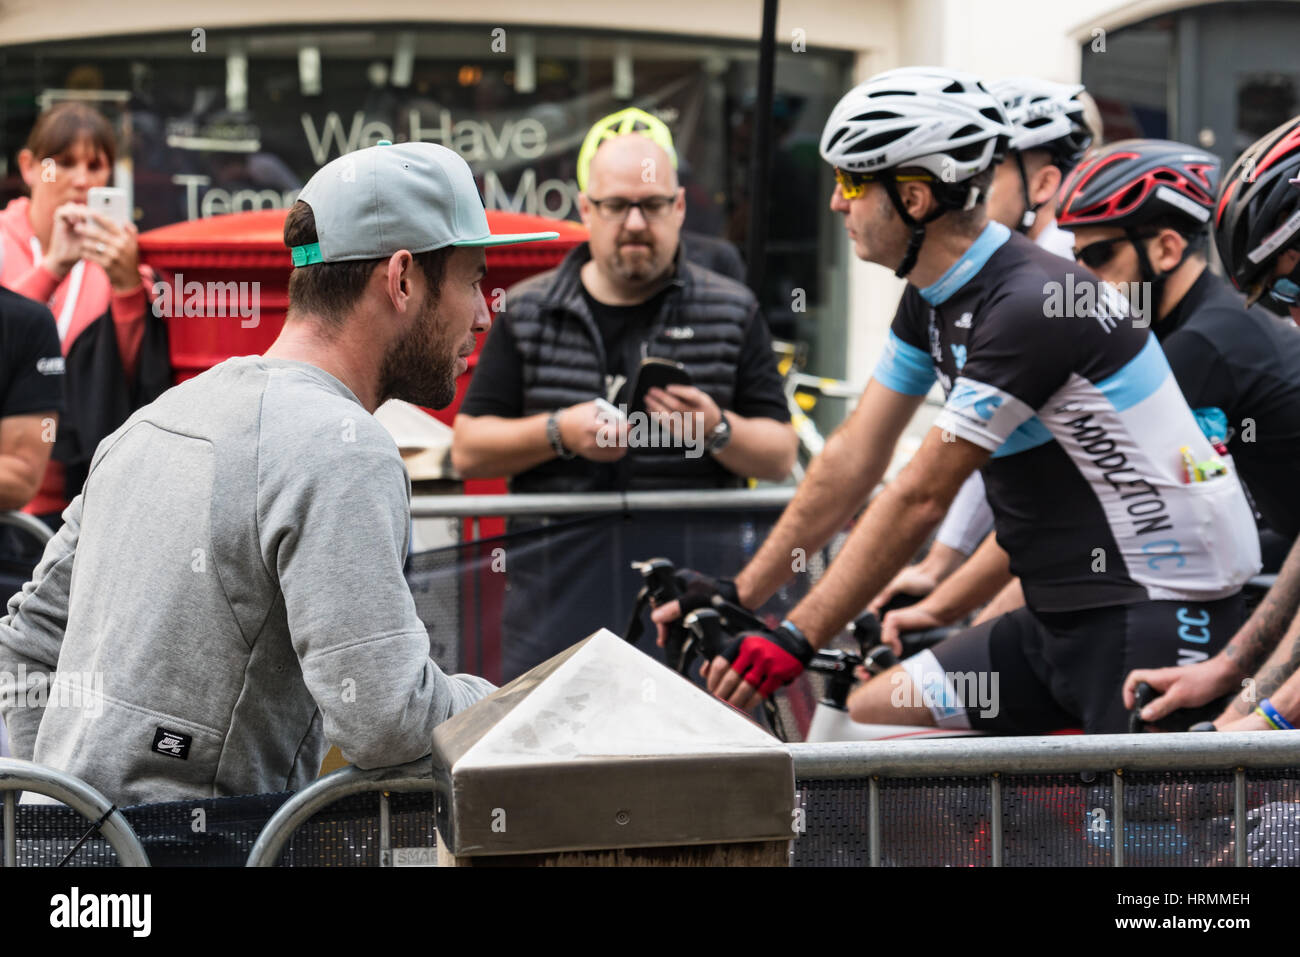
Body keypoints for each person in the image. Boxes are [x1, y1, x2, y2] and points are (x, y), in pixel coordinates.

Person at [653, 66, 1260, 735]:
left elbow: (922, 493)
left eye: (851, 182)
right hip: (1053, 616)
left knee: (1143, 834)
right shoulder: (933, 297)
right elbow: (855, 454)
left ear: (913, 199)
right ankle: (1016, 846)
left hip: (1157, 611)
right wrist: (741, 594)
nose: (835, 202)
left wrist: (796, 637)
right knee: (869, 726)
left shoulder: (1031, 304)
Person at [0, 141, 551, 805]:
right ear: (402, 279)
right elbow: (386, 717)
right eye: (471, 279)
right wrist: (505, 703)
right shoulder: (343, 448)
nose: (485, 312)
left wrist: (63, 813)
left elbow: (25, 645)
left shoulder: (150, 422)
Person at [888, 137, 1300, 660]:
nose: (1085, 281)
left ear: (1168, 250)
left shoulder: (1200, 346)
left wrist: (948, 618)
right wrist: (942, 594)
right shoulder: (1173, 326)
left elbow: (1079, 512)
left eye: (1101, 257)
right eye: (1077, 259)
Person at [452, 130, 795, 679]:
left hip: (690, 616)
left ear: (679, 207)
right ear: (587, 209)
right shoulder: (528, 311)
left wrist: (716, 429)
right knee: (547, 761)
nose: (635, 223)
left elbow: (780, 455)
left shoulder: (732, 310)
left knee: (684, 763)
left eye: (653, 204)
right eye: (616, 206)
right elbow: (468, 450)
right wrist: (560, 432)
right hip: (551, 614)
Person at [869, 76, 1095, 617]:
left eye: (992, 168)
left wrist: (943, 588)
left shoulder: (1055, 279)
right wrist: (939, 564)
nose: (970, 181)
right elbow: (991, 441)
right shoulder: (980, 271)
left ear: (1043, 184)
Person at [1125, 117, 1300, 732]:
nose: (1294, 318)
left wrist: (1255, 723)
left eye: (1294, 282)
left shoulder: (1204, 343)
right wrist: (1230, 674)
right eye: (1280, 297)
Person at [0, 102, 170, 534]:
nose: (80, 180)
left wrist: (129, 290)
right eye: (63, 163)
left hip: (84, 504)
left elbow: (136, 381)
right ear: (28, 166)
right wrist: (51, 268)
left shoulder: (123, 260)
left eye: (95, 166)